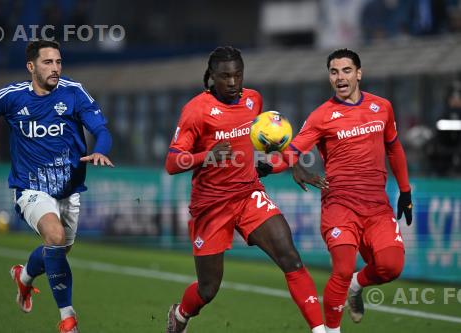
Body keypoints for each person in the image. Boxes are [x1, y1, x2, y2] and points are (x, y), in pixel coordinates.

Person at [164, 46, 326, 333]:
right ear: (211, 76)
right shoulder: (196, 111)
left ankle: (321, 330)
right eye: (225, 76)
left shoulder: (253, 100)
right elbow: (173, 162)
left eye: (238, 75)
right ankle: (180, 314)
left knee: (290, 256)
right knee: (208, 289)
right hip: (211, 206)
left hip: (248, 193)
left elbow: (269, 135)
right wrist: (208, 155)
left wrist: (291, 161)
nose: (233, 82)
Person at [0, 40, 114, 333]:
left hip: (69, 189)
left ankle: (24, 277)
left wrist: (101, 149)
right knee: (54, 236)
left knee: (59, 249)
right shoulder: (13, 96)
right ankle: (68, 319)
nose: (55, 68)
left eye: (58, 62)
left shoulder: (74, 92)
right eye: (48, 62)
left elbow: (100, 129)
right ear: (31, 67)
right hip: (30, 187)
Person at [270, 48, 413, 333]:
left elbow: (394, 148)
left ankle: (358, 285)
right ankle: (332, 331)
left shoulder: (381, 107)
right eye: (334, 72)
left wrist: (405, 192)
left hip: (376, 205)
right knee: (342, 268)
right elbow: (294, 151)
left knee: (391, 266)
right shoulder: (321, 116)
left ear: (359, 73)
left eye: (346, 71)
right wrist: (265, 167)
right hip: (339, 205)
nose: (340, 77)